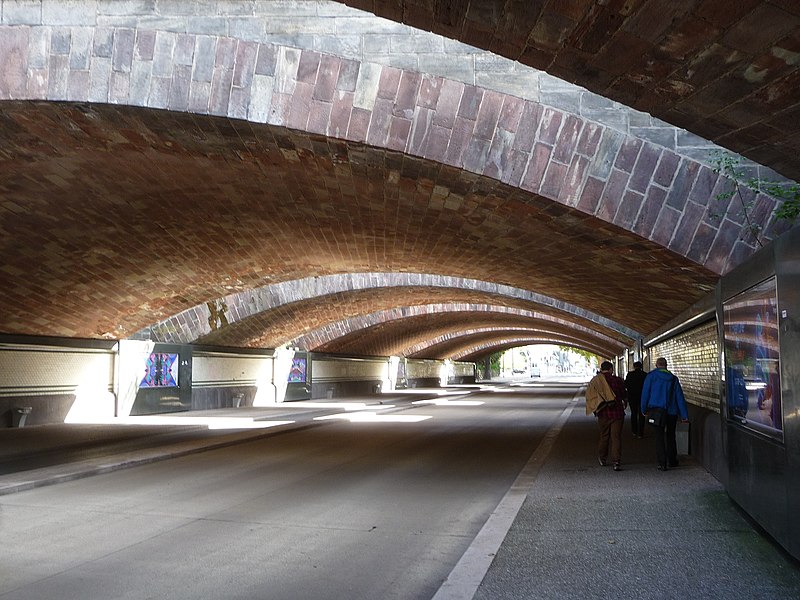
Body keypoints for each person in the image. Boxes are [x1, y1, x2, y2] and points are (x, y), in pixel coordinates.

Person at [640, 357, 689, 471]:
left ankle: (662, 463)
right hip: (672, 412)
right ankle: (672, 460)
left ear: (656, 365)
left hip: (656, 411)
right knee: (671, 436)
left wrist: (643, 409)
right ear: (666, 366)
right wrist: (684, 415)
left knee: (659, 437)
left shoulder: (651, 376)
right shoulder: (673, 379)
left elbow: (645, 394)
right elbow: (680, 398)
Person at [588, 361, 626, 471]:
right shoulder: (617, 380)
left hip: (603, 413)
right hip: (617, 413)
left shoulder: (595, 381)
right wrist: (625, 400)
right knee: (616, 437)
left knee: (604, 436)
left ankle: (602, 458)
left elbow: (591, 396)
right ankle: (616, 461)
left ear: (601, 369)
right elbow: (623, 393)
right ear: (610, 369)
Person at [624, 361, 647, 438]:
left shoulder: (630, 375)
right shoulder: (645, 375)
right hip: (642, 397)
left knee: (633, 413)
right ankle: (641, 433)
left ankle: (634, 431)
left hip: (632, 397)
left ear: (634, 367)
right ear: (641, 367)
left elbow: (626, 385)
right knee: (642, 414)